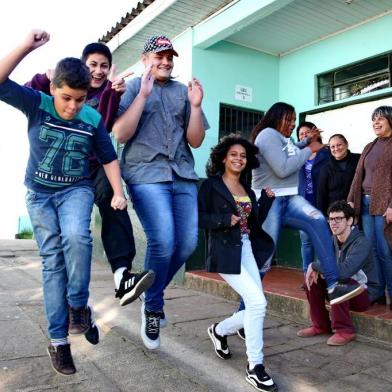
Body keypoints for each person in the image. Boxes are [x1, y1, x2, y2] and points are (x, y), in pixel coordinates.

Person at [0, 30, 128, 375]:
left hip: (76, 189)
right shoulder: (35, 102)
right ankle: (58, 341)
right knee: (52, 263)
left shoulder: (92, 118)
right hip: (39, 194)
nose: (72, 107)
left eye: (80, 99)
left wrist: (118, 192)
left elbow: (108, 157)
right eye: (66, 98)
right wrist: (26, 45)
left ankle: (78, 307)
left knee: (78, 237)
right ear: (53, 88)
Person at [26, 43, 155, 311]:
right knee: (66, 244)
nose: (98, 71)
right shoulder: (62, 85)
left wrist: (113, 94)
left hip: (93, 167)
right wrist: (44, 77)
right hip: (58, 172)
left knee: (112, 200)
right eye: (93, 65)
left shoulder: (108, 91)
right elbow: (29, 92)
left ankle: (122, 275)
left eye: (104, 66)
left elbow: (103, 129)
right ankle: (75, 306)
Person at [112, 35, 209, 350]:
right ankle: (153, 308)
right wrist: (142, 95)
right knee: (163, 241)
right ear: (145, 59)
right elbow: (121, 134)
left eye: (170, 57)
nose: (166, 61)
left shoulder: (183, 92)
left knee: (188, 243)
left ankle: (148, 295)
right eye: (159, 56)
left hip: (181, 174)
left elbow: (195, 141)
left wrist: (195, 106)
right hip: (145, 173)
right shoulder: (129, 88)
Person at [250, 102, 365, 305]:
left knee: (319, 220)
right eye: (290, 119)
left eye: (295, 120)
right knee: (265, 259)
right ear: (278, 117)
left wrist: (306, 142)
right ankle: (245, 309)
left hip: (289, 198)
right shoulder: (267, 135)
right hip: (270, 201)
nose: (293, 124)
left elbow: (292, 150)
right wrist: (310, 148)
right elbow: (283, 168)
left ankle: (333, 285)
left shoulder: (283, 139)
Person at [198, 135, 277, 392]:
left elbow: (252, 223)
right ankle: (255, 366)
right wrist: (223, 219)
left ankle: (219, 330)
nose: (239, 159)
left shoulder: (247, 189)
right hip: (224, 251)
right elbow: (199, 218)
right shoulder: (211, 186)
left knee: (257, 306)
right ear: (223, 157)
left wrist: (265, 202)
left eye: (243, 156)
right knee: (258, 303)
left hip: (246, 249)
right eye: (234, 154)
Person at [298, 201, 381, 345]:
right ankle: (321, 325)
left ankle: (345, 331)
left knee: (337, 280)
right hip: (342, 294)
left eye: (338, 219)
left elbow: (344, 272)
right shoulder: (331, 240)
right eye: (330, 219)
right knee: (313, 279)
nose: (333, 223)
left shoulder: (361, 243)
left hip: (363, 294)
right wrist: (316, 270)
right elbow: (322, 266)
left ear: (350, 220)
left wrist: (314, 265)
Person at [348, 106, 392, 308]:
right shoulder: (369, 146)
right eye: (373, 119)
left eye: (380, 118)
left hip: (384, 204)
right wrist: (351, 200)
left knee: (385, 251)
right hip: (365, 203)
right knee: (372, 251)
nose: (376, 122)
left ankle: (391, 293)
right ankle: (377, 293)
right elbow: (358, 176)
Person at [297, 121, 330, 273]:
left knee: (322, 240)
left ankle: (321, 276)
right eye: (301, 134)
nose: (304, 136)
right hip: (304, 202)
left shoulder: (327, 152)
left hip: (322, 200)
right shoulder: (297, 154)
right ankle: (307, 276)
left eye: (306, 133)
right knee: (306, 241)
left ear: (314, 133)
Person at [317, 134, 360, 216]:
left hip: (358, 210)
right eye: (332, 147)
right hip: (336, 214)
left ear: (346, 144)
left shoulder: (359, 160)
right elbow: (321, 195)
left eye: (339, 145)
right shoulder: (325, 169)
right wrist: (324, 216)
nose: (336, 149)